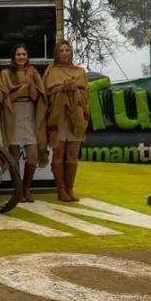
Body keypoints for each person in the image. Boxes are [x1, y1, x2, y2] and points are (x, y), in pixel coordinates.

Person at [43, 40, 89, 202]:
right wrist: (62, 88)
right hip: (58, 115)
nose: (64, 53)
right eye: (61, 50)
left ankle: (70, 188)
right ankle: (60, 190)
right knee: (59, 153)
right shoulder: (51, 70)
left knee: (72, 155)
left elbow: (86, 94)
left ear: (71, 53)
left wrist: (74, 88)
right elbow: (46, 92)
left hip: (75, 115)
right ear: (57, 53)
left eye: (67, 50)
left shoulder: (80, 71)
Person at [0, 44, 47, 202]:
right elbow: (7, 99)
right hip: (13, 112)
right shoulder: (6, 73)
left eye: (24, 54)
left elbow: (35, 97)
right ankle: (18, 189)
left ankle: (27, 187)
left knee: (33, 154)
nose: (21, 57)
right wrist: (22, 88)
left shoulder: (33, 73)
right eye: (18, 54)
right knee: (14, 154)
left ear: (27, 56)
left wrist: (31, 80)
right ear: (13, 57)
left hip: (29, 112)